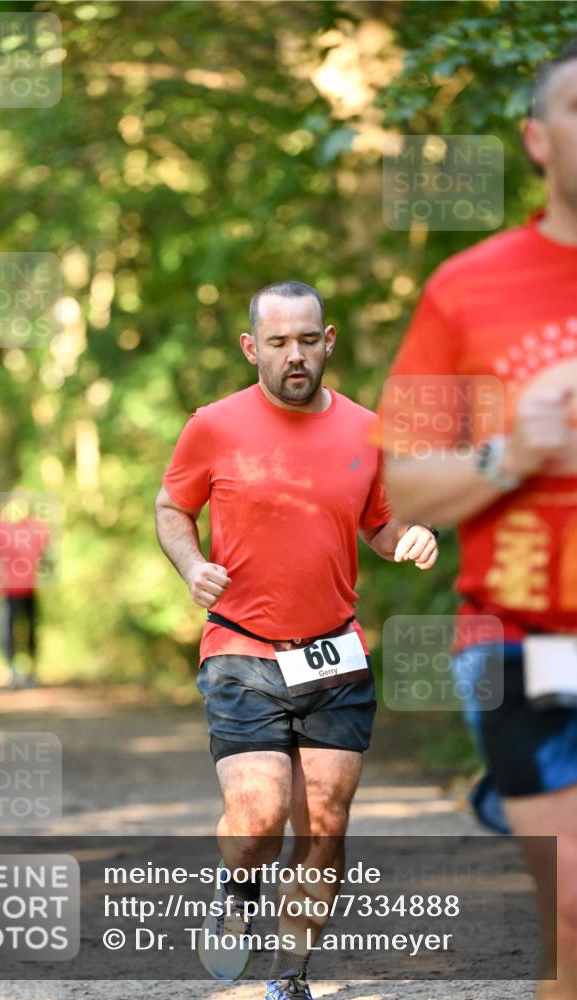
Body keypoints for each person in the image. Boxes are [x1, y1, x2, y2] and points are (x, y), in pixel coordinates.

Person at [155, 280, 439, 1000]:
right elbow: (171, 506)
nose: (294, 355)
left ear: (328, 340)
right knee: (256, 816)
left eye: (306, 340)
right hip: (241, 647)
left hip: (333, 652)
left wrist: (403, 535)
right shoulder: (213, 426)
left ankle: (291, 972)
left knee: (327, 824)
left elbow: (377, 523)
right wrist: (193, 566)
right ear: (251, 346)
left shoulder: (364, 430)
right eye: (277, 342)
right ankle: (238, 888)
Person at [381, 43, 577, 1000]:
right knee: (574, 914)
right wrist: (514, 451)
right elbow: (402, 486)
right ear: (537, 141)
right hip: (524, 642)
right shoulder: (466, 291)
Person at [0, 492, 51, 689]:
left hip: (29, 587)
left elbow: (44, 548)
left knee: (30, 630)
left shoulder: (36, 527)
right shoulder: (1, 527)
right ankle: (12, 672)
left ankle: (32, 673)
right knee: (6, 632)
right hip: (7, 590)